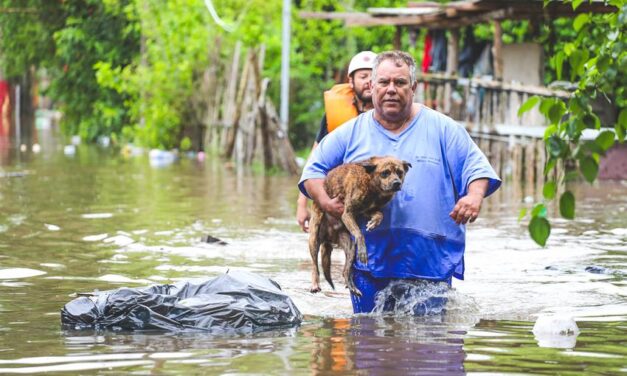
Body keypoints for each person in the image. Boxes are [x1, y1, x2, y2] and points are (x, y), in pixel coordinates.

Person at [298, 50, 501, 314]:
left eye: (400, 82)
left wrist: (474, 197)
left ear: (413, 87)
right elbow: (313, 170)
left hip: (430, 263)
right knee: (369, 342)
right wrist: (326, 203)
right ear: (372, 86)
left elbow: (477, 168)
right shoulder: (351, 132)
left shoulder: (443, 128)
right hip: (370, 264)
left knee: (431, 347)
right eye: (384, 82)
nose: (391, 89)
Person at [296, 51, 377, 233]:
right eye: (363, 76)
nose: (369, 82)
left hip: (373, 192)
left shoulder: (390, 113)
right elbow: (314, 160)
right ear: (351, 81)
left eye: (374, 76)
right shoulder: (335, 114)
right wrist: (302, 203)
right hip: (340, 190)